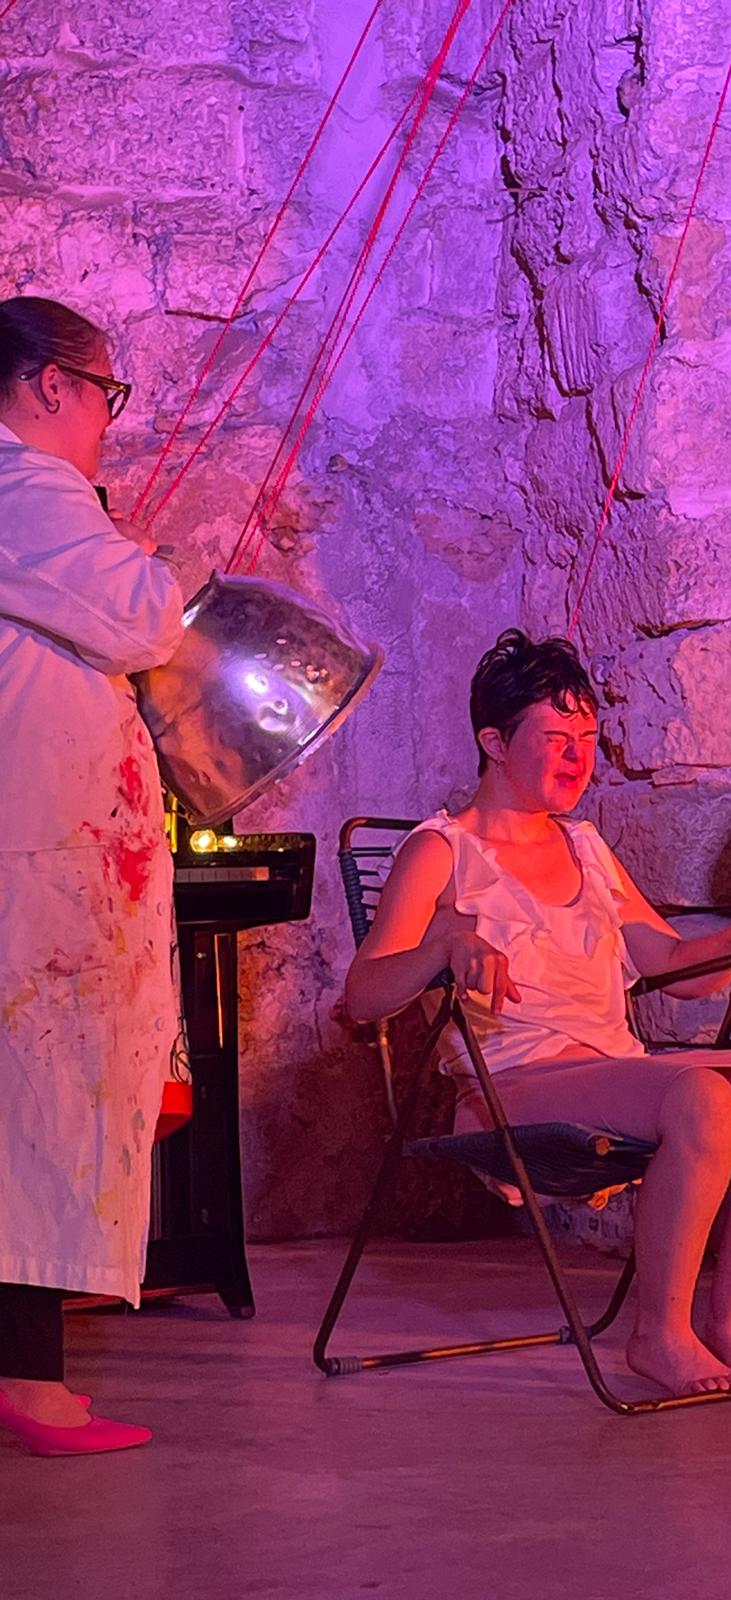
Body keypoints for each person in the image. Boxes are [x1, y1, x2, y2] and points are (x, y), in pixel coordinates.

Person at [345, 629, 731, 1397]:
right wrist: (445, 946)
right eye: (555, 739)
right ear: (494, 743)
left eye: (587, 740)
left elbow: (671, 968)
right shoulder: (441, 851)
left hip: (611, 1073)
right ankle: (659, 1336)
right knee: (699, 1097)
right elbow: (363, 995)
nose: (578, 759)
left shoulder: (586, 848)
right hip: (508, 1086)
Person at [0, 296, 185, 1455]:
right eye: (107, 394)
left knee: (33, 1104)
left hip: (38, 853)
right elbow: (143, 620)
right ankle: (30, 1383)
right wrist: (168, 565)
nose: (109, 420)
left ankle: (29, 1373)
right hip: (38, 867)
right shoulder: (25, 485)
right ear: (50, 384)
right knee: (39, 1104)